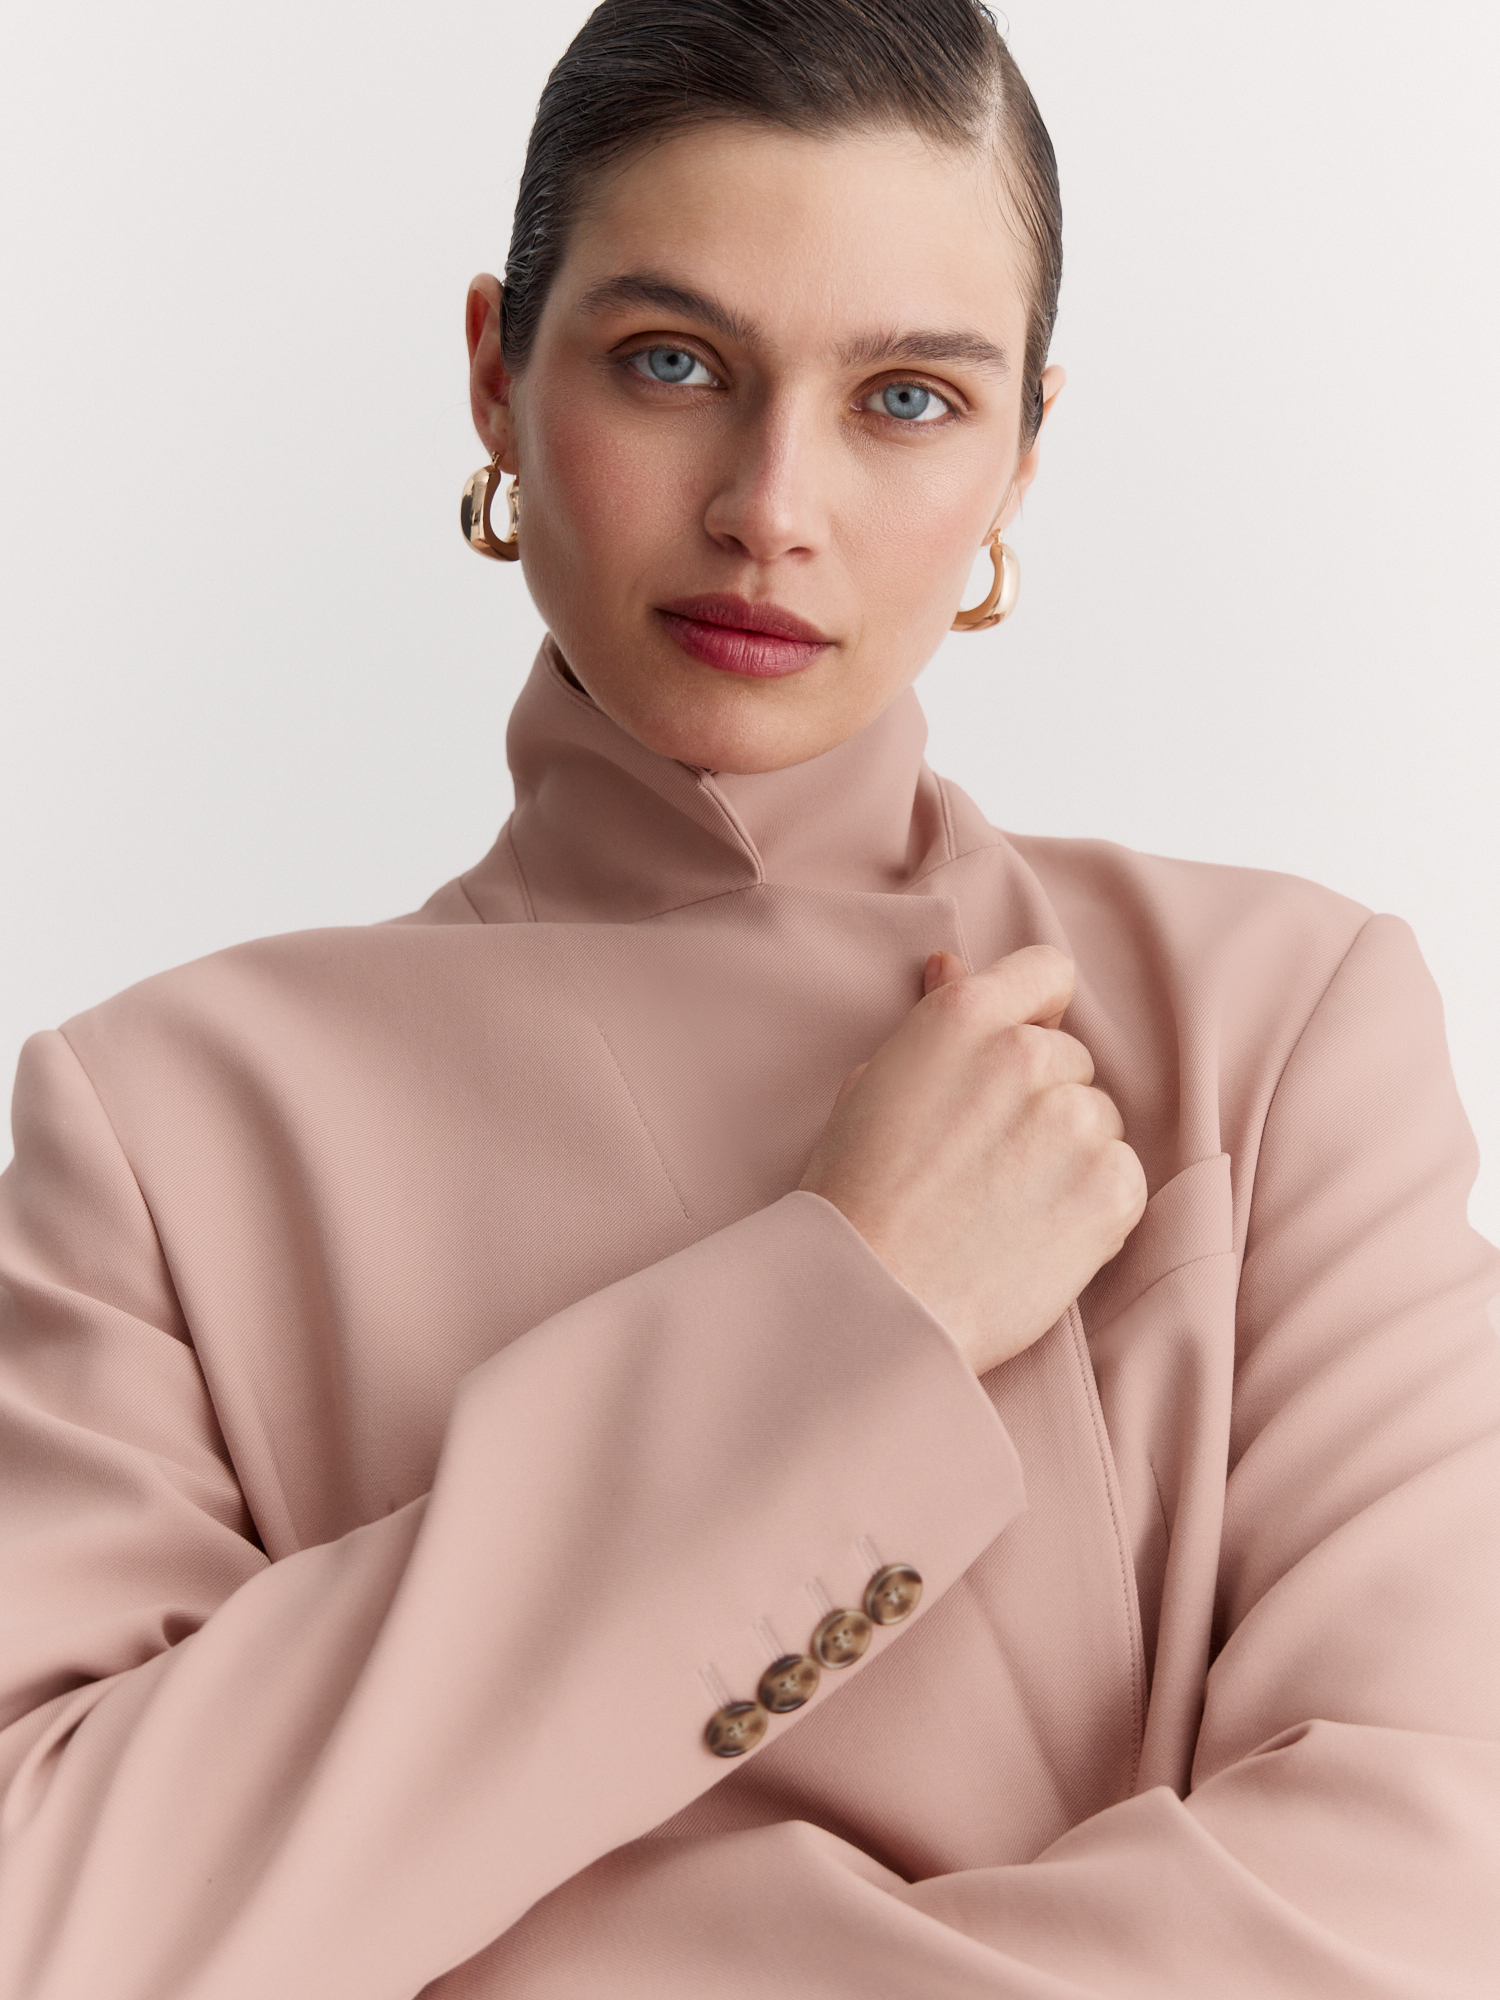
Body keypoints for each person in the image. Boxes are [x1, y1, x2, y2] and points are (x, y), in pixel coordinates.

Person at [1, 1, 1496, 1993]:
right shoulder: (162, 1131)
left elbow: (1427, 1888)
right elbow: (54, 1920)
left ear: (1022, 455)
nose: (772, 503)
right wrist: (856, 1313)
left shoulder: (1277, 1028)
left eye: (908, 398)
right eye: (673, 362)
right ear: (496, 376)